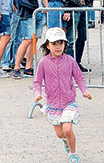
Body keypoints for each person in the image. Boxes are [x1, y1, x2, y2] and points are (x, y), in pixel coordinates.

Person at [33, 27, 92, 163]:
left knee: (67, 128)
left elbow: (79, 78)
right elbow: (37, 82)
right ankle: (66, 141)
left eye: (61, 43)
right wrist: (37, 93)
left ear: (65, 44)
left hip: (69, 102)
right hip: (53, 104)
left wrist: (84, 91)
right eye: (54, 43)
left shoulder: (70, 60)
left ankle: (73, 154)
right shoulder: (43, 62)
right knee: (60, 134)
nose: (58, 47)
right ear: (47, 45)